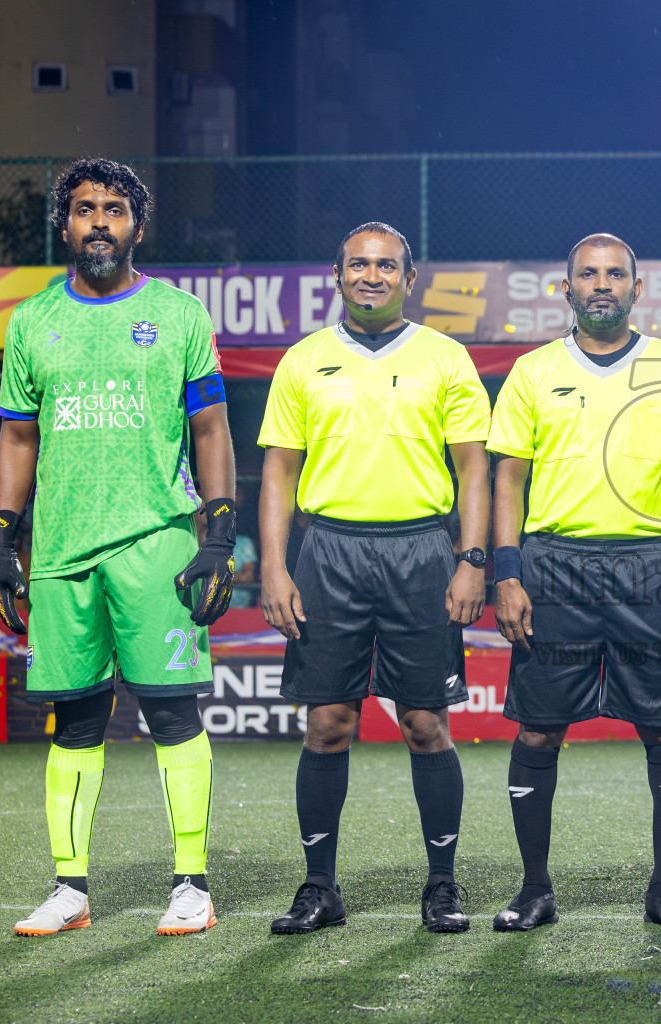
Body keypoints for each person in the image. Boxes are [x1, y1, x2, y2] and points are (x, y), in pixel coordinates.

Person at [0, 158, 235, 937]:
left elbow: (210, 429)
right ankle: (70, 890)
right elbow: (17, 438)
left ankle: (192, 885)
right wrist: (0, 539)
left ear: (138, 225)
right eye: (86, 208)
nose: (100, 221)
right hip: (62, 552)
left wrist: (220, 534)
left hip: (157, 542)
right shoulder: (30, 321)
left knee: (171, 710)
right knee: (76, 720)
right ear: (64, 225)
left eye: (115, 209)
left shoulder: (180, 314)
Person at [258, 222, 490, 935]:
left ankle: (442, 883)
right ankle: (319, 887)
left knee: (425, 723)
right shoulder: (303, 360)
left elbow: (473, 467)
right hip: (328, 552)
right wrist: (273, 565)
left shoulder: (445, 357)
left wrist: (471, 559)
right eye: (358, 264)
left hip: (420, 551)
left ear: (408, 280)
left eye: (387, 266)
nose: (371, 275)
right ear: (338, 276)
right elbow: (279, 470)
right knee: (327, 724)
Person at [487, 233, 661, 931]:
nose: (602, 285)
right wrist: (507, 573)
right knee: (538, 732)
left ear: (637, 289)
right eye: (588, 274)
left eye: (616, 274)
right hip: (554, 567)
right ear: (568, 289)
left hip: (649, 567)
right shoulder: (532, 371)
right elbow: (509, 478)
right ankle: (534, 889)